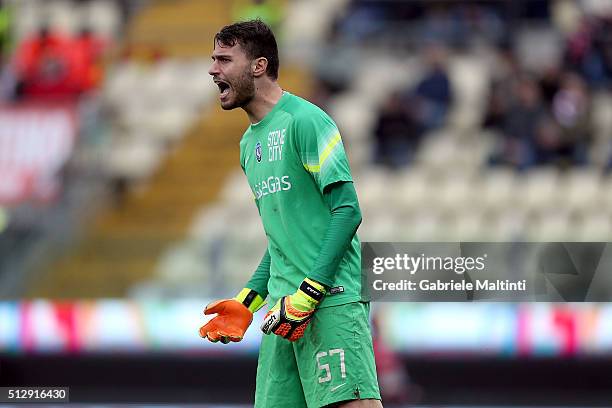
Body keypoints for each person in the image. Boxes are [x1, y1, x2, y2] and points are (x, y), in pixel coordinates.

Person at [200, 19, 382, 408]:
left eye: (224, 59)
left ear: (258, 66)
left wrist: (311, 291)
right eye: (213, 59)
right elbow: (283, 237)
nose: (213, 69)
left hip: (329, 302)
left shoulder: (307, 121)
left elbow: (348, 211)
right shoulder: (249, 145)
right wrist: (248, 300)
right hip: (283, 315)